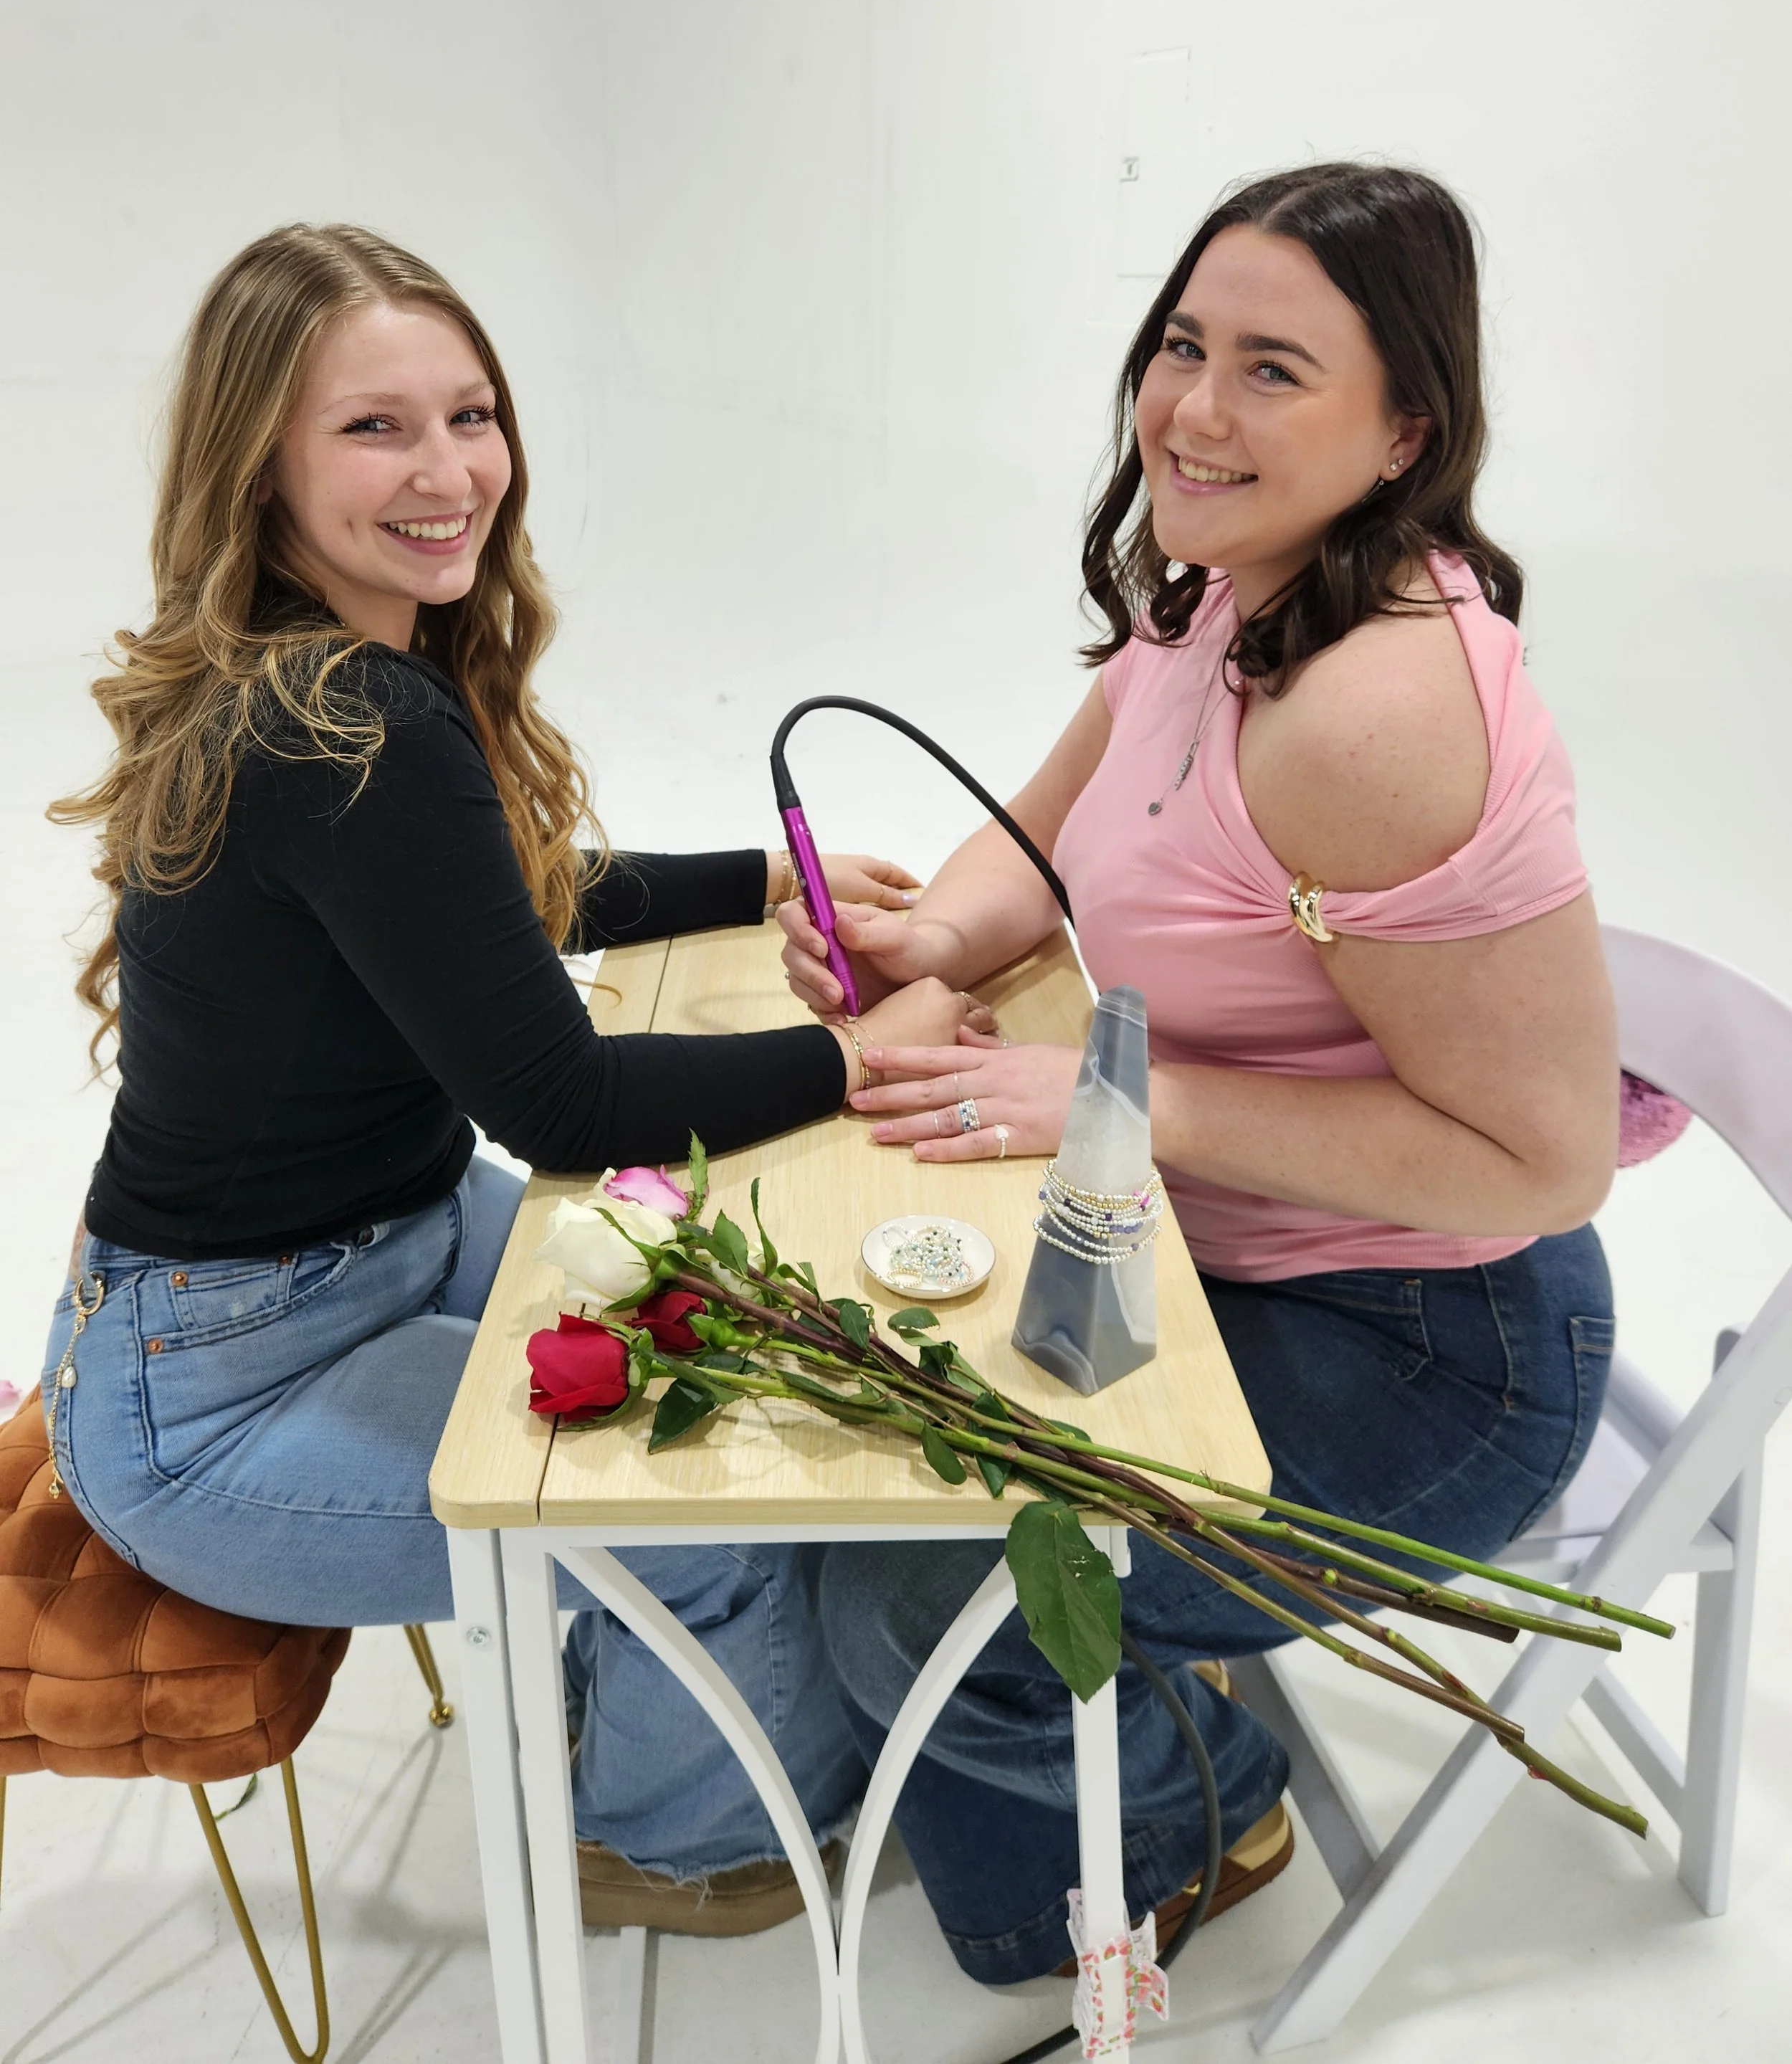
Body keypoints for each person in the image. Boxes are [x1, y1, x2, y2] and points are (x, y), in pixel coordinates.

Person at [44, 222, 976, 1936]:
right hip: (216, 1391)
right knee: (695, 1503)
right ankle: (662, 1839)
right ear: (260, 457)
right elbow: (558, 1110)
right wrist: (853, 1056)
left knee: (737, 1306)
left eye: (469, 413)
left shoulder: (319, 675)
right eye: (374, 427)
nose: (450, 469)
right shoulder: (346, 725)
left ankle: (661, 1722)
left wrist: (757, 882)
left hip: (328, 1257)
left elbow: (482, 913)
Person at [777, 163, 1619, 1982]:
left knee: (911, 1594)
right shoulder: (1221, 587)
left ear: (1406, 427)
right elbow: (1058, 820)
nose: (1192, 409)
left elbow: (1543, 1162)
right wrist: (933, 943)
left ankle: (1187, 1823)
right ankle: (1085, 1736)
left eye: (1270, 369)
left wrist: (1119, 1104)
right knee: (849, 1450)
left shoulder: (1374, 710)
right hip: (1216, 1244)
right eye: (1181, 344)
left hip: (1429, 1343)